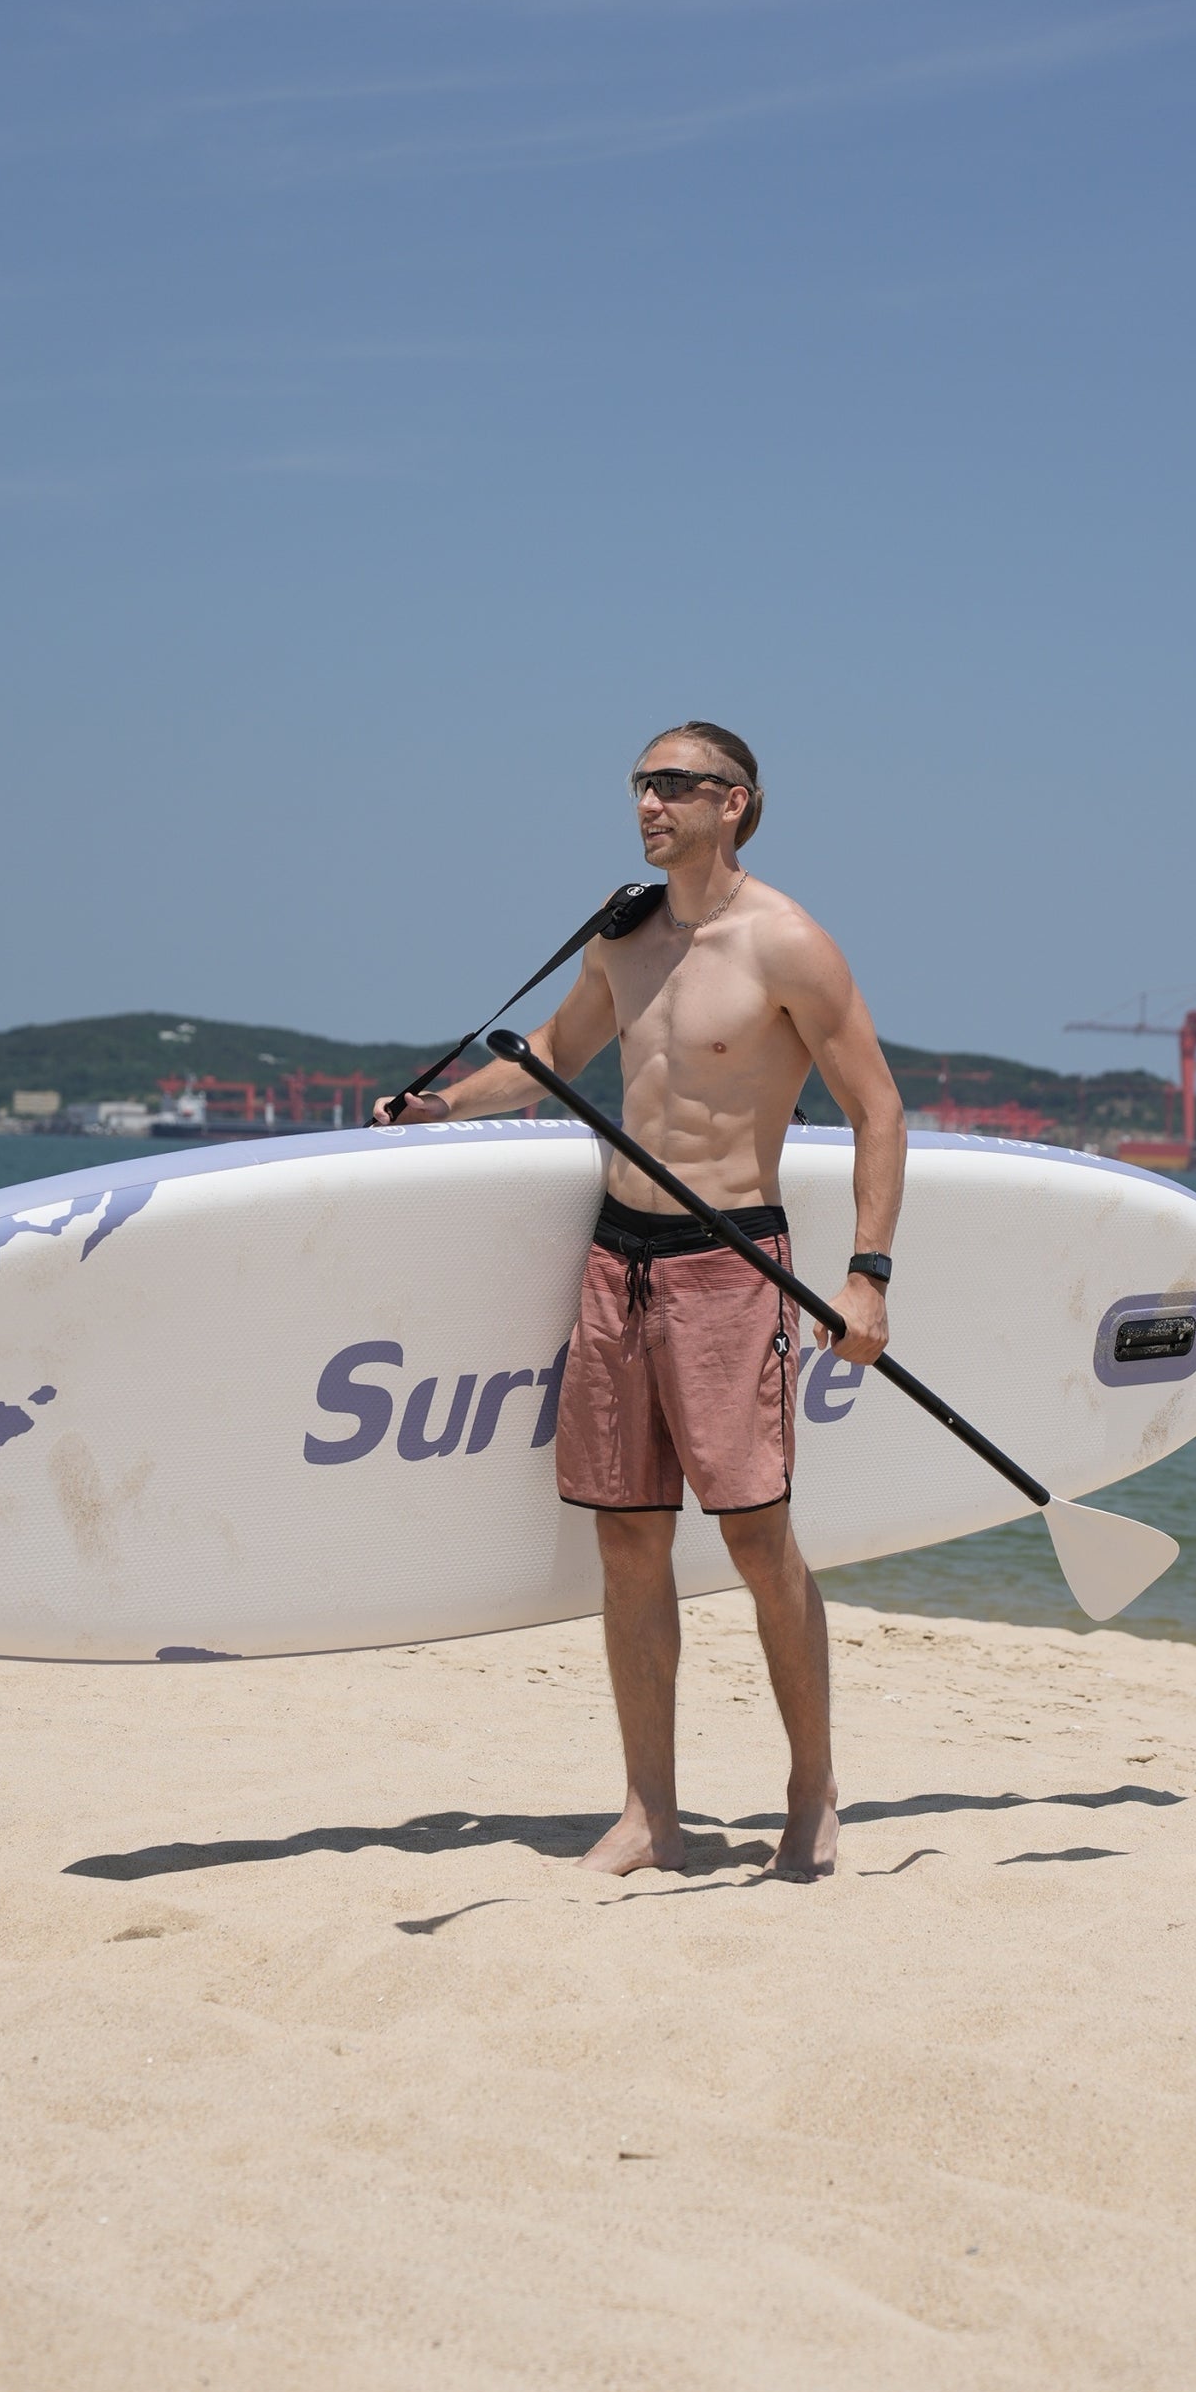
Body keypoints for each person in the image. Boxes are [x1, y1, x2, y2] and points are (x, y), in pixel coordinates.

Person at [376, 722, 907, 1881]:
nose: (647, 805)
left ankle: (810, 1791)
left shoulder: (787, 943)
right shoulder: (621, 937)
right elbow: (554, 1054)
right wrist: (442, 1107)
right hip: (615, 1255)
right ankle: (648, 1812)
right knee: (624, 1539)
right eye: (639, 785)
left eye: (671, 786)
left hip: (730, 1263)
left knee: (757, 1539)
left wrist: (867, 1273)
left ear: (734, 802)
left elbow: (878, 1109)